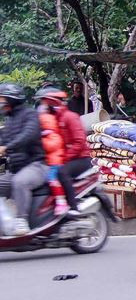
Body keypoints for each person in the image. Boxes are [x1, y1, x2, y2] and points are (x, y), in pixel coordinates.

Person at [0, 84, 47, 235]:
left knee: (19, 182)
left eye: (2, 99)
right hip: (16, 168)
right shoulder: (9, 120)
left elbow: (28, 135)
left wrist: (7, 147)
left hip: (37, 165)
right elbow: (2, 141)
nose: (1, 103)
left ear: (11, 100)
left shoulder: (30, 115)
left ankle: (21, 221)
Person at [35, 87, 91, 215]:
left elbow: (79, 141)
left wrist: (65, 157)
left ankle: (73, 206)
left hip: (81, 158)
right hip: (67, 157)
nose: (44, 107)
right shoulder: (54, 120)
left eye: (46, 103)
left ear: (55, 103)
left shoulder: (70, 117)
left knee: (61, 172)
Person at [35, 96, 68, 216]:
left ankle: (61, 201)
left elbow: (52, 146)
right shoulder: (48, 133)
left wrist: (41, 142)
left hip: (56, 162)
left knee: (52, 180)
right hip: (51, 161)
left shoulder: (52, 135)